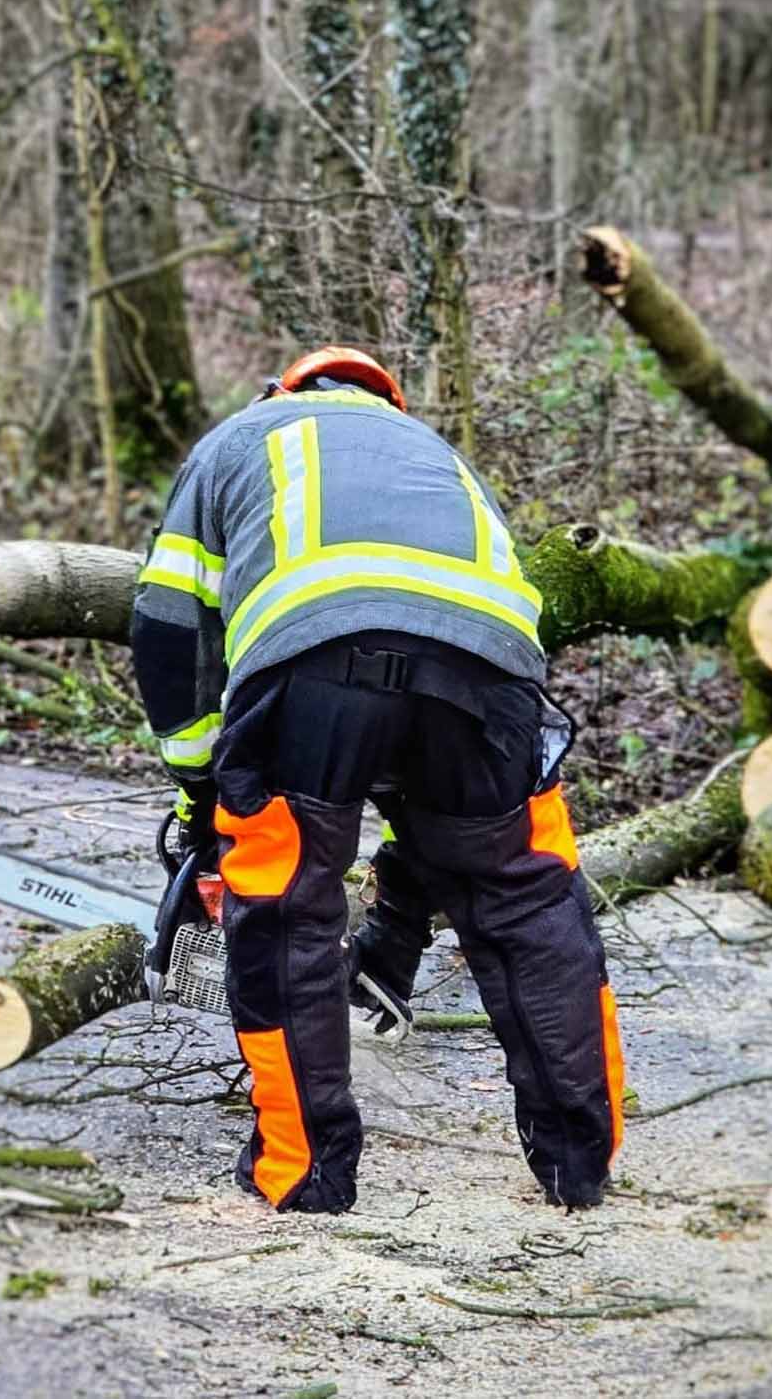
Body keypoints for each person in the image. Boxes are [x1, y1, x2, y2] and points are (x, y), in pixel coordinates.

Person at [130, 346, 625, 1215]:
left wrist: (201, 785)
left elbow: (170, 626)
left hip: (311, 662)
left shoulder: (240, 439)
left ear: (285, 389)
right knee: (527, 894)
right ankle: (579, 1161)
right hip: (491, 682)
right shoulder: (440, 458)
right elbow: (452, 620)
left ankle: (307, 1170)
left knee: (288, 903)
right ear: (387, 401)